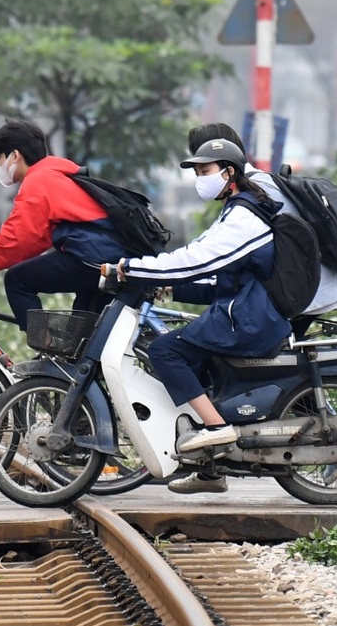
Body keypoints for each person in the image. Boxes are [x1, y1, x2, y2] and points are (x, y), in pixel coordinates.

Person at [111, 137, 293, 494]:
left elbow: (196, 260)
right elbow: (220, 280)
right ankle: (213, 469)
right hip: (244, 311)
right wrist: (173, 288)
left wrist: (134, 268)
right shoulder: (238, 209)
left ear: (229, 172)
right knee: (199, 368)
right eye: (196, 171)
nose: (199, 178)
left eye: (204, 170)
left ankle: (215, 430)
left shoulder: (244, 216)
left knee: (165, 350)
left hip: (248, 319)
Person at [0, 119, 127, 328]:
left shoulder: (39, 181)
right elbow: (35, 240)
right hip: (108, 257)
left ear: (15, 155)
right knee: (83, 338)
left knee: (17, 280)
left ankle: (45, 346)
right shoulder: (55, 175)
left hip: (94, 257)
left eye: (0, 159)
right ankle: (66, 360)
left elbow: (15, 241)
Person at [186, 122, 337, 320]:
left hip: (303, 292)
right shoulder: (252, 184)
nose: (200, 173)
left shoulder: (256, 190)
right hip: (305, 287)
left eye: (204, 167)